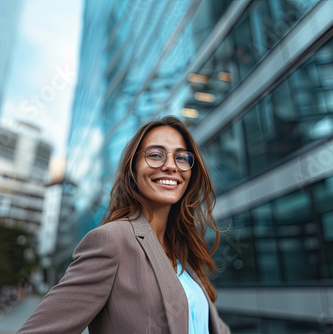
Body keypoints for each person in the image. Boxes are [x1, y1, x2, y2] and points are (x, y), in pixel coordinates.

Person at [17, 116, 231, 334]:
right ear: (133, 170)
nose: (170, 166)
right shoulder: (112, 241)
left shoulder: (184, 251)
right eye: (156, 155)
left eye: (182, 157)